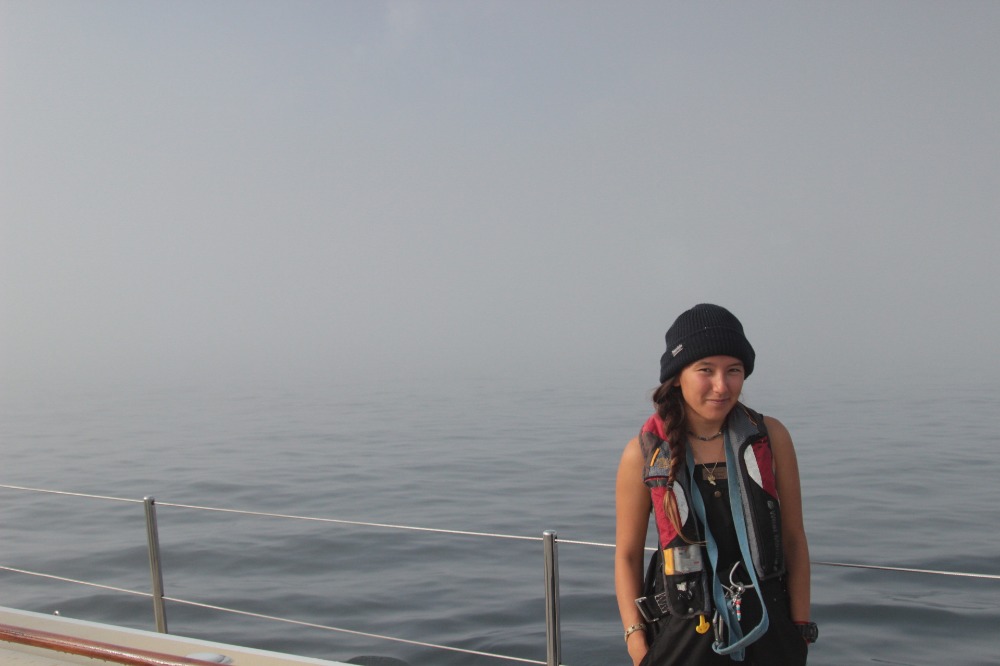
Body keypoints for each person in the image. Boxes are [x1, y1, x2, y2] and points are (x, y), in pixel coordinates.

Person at [614, 304, 816, 665]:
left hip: (769, 631)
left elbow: (793, 538)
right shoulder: (642, 454)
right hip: (681, 635)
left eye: (733, 370)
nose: (722, 386)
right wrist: (636, 641)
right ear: (677, 376)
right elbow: (627, 554)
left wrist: (800, 628)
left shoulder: (771, 438)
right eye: (705, 370)